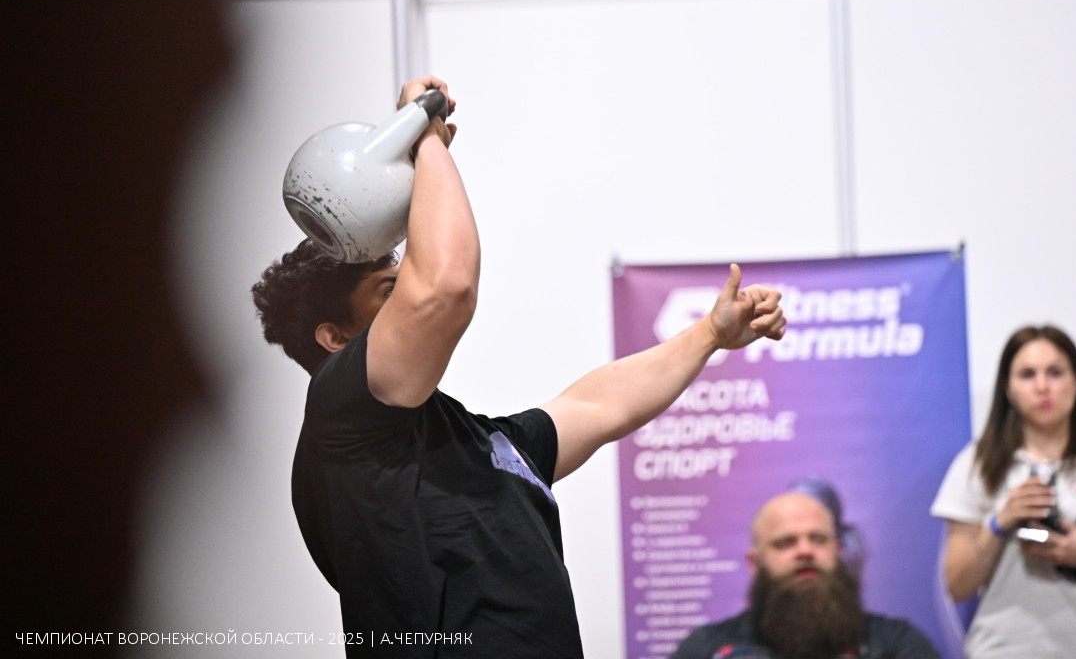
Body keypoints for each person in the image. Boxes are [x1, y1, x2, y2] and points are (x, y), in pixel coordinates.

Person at [251, 76, 787, 657]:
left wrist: (710, 334)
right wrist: (425, 136)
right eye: (389, 289)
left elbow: (598, 405)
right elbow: (446, 288)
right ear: (335, 338)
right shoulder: (342, 418)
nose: (407, 292)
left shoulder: (477, 442)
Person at [931, 325, 1076, 659]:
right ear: (1008, 388)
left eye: (1055, 372)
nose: (1042, 387)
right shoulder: (978, 463)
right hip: (1002, 650)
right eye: (1027, 375)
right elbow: (957, 586)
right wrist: (1000, 522)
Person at [670, 479, 941, 659]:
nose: (805, 551)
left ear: (838, 550)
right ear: (755, 562)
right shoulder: (707, 648)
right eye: (785, 542)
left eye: (818, 539)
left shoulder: (895, 644)